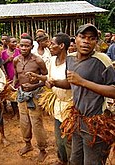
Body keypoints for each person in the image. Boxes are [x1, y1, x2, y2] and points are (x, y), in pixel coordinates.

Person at [49, 24, 115, 164]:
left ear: (96, 42)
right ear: (76, 39)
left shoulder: (102, 61)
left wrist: (83, 82)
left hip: (96, 122)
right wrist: (54, 82)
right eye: (83, 37)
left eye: (91, 38)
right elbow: (70, 83)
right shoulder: (70, 58)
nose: (86, 41)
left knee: (91, 162)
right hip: (77, 119)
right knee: (75, 159)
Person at [26, 33, 72, 165]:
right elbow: (49, 78)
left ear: (62, 46)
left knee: (68, 139)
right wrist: (38, 77)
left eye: (52, 44)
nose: (49, 46)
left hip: (69, 106)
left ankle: (70, 161)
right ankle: (62, 160)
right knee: (59, 138)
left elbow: (69, 83)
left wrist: (53, 83)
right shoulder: (52, 60)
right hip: (57, 104)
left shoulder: (71, 62)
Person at [13, 35, 48, 162]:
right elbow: (16, 76)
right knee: (24, 122)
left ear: (32, 47)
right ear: (19, 46)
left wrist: (34, 85)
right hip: (22, 95)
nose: (24, 48)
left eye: (27, 46)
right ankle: (27, 144)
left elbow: (46, 79)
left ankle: (42, 149)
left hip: (35, 95)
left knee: (36, 123)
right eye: (22, 45)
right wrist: (13, 85)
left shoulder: (38, 61)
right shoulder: (16, 60)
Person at [1, 36, 20, 117]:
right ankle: (15, 112)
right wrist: (7, 60)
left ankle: (21, 112)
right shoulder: (3, 53)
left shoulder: (19, 51)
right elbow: (1, 65)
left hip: (19, 76)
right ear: (8, 43)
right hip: (9, 76)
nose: (15, 44)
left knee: (20, 93)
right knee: (12, 95)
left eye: (16, 42)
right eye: (13, 42)